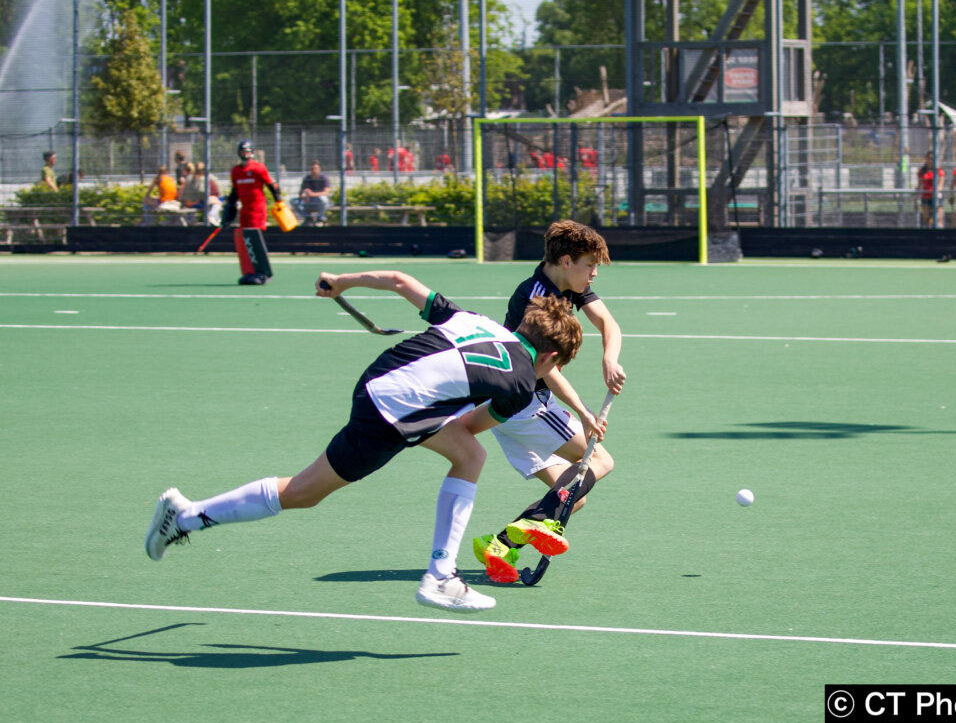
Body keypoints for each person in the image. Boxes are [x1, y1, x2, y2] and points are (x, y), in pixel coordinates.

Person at [145, 269, 584, 613]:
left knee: (469, 456)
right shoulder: (522, 384)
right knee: (303, 492)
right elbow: (470, 425)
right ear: (549, 357)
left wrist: (342, 282)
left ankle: (442, 573)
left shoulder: (476, 321)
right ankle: (187, 517)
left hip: (380, 380)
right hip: (393, 411)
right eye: (554, 368)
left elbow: (400, 282)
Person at [472, 220, 625, 583]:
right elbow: (544, 367)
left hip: (507, 406)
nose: (594, 274)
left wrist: (609, 358)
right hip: (524, 403)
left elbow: (609, 324)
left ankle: (498, 546)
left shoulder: (567, 284)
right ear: (567, 261)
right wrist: (583, 411)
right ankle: (528, 527)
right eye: (590, 265)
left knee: (571, 495)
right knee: (600, 460)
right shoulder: (536, 299)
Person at [221, 139, 282, 285]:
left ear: (252, 153)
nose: (245, 154)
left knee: (255, 239)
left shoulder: (258, 168)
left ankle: (262, 273)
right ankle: (249, 272)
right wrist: (228, 213)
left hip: (257, 209)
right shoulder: (236, 171)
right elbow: (235, 192)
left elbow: (271, 185)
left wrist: (279, 201)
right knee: (246, 240)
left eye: (248, 151)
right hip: (245, 210)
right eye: (243, 151)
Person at [289, 160, 331, 226]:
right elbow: (301, 192)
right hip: (308, 201)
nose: (313, 170)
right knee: (293, 201)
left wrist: (312, 194)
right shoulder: (307, 179)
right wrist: (303, 196)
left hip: (319, 202)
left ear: (319, 169)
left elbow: (326, 193)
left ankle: (320, 219)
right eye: (312, 168)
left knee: (324, 199)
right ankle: (308, 218)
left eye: (315, 168)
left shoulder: (324, 178)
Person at [916, 151, 944, 228]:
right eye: (929, 158)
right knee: (927, 219)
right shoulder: (922, 171)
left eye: (932, 159)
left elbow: (941, 185)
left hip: (936, 196)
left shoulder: (939, 171)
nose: (931, 160)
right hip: (926, 196)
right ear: (926, 159)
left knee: (938, 219)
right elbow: (919, 186)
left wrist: (936, 194)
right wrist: (916, 200)